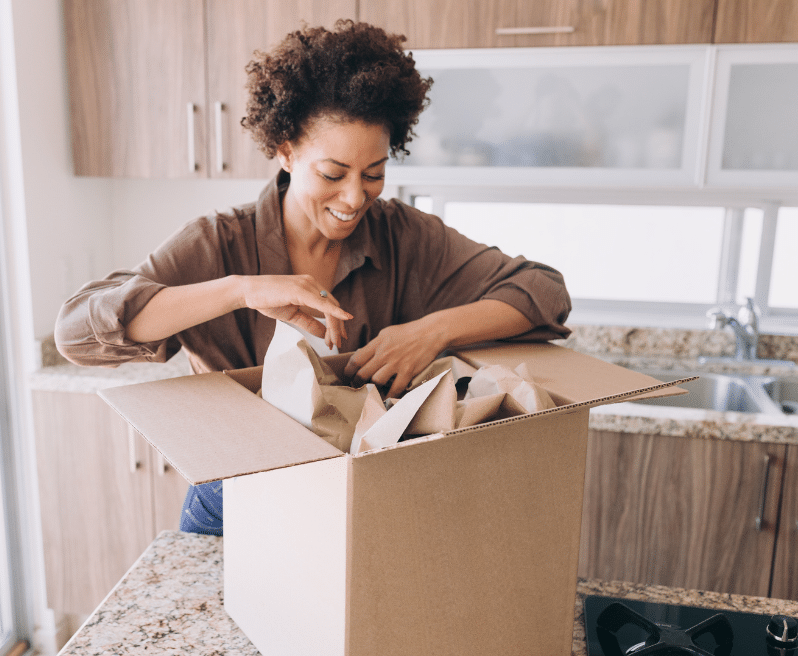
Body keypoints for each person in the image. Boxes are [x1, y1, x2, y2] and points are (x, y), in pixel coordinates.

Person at [54, 20, 572, 537]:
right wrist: (241, 289)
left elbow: (543, 291)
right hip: (237, 497)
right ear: (285, 151)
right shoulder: (219, 243)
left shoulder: (402, 236)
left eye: (373, 173)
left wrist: (431, 331)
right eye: (332, 173)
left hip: (365, 493)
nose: (354, 198)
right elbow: (76, 333)